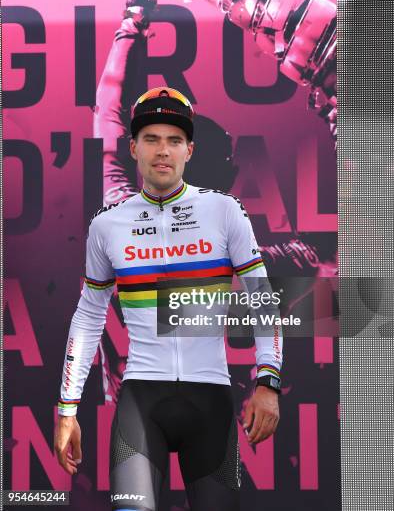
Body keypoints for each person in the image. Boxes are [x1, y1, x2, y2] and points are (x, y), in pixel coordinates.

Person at [54, 86, 283, 511]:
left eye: (174, 140)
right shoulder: (108, 224)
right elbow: (89, 315)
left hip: (210, 399)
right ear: (134, 148)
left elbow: (262, 298)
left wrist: (268, 382)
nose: (163, 151)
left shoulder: (225, 211)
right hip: (141, 405)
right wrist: (67, 408)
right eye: (152, 139)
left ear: (189, 151)